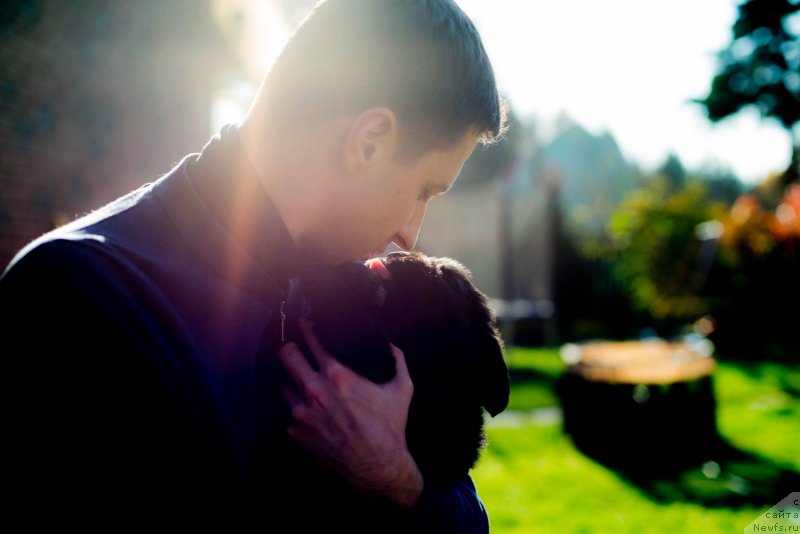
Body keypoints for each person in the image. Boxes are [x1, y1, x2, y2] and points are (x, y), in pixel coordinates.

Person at [0, 0, 508, 529]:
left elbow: (467, 513)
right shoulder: (79, 298)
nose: (412, 234)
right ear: (369, 142)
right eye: (424, 190)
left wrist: (398, 481)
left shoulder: (370, 299)